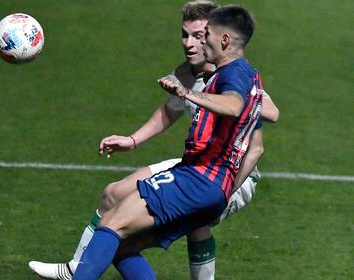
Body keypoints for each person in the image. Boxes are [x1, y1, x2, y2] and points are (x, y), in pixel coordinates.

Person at [29, 2, 279, 280]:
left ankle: (78, 271)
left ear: (223, 38)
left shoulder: (235, 76)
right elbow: (171, 111)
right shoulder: (203, 73)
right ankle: (80, 266)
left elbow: (245, 108)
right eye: (186, 34)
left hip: (210, 175)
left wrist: (192, 93)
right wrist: (134, 139)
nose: (194, 42)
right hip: (202, 173)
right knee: (119, 231)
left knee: (114, 224)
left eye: (202, 34)